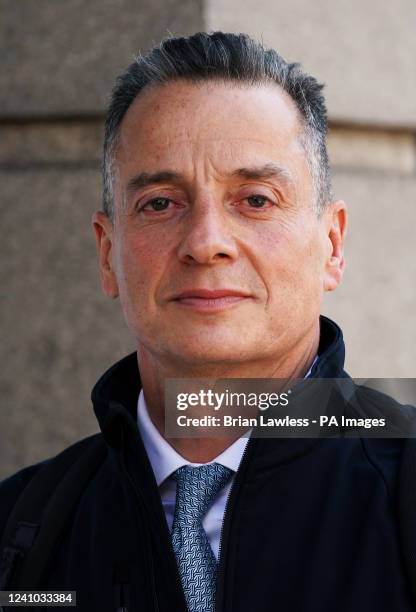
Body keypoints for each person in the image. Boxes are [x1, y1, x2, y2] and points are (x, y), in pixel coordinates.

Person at [0, 31, 414, 612]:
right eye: (161, 203)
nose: (206, 243)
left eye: (256, 199)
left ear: (332, 244)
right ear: (106, 253)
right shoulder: (21, 533)